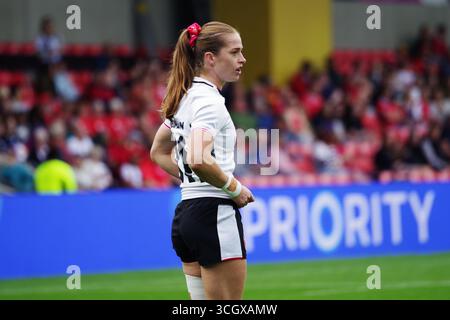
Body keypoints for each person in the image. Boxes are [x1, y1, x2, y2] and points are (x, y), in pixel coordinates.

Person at [150, 21, 254, 300]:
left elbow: (158, 151)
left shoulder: (185, 97)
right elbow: (197, 158)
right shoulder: (209, 102)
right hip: (214, 214)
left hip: (187, 215)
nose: (242, 59)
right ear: (210, 58)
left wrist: (191, 179)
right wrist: (235, 188)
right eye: (235, 52)